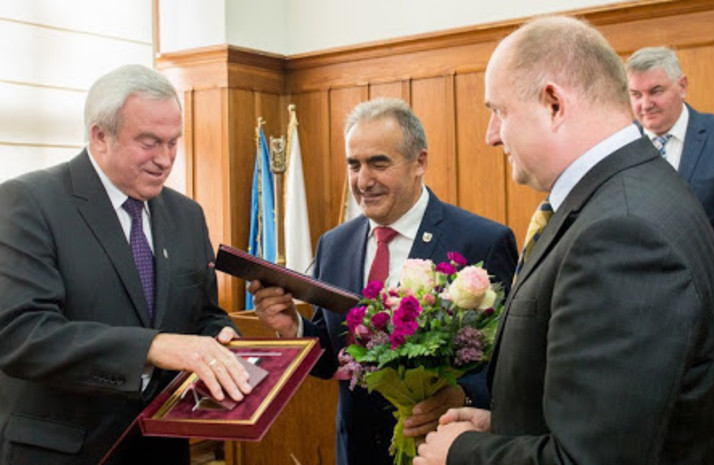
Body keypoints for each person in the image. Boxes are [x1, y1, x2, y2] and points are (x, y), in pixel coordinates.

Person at [416, 16, 714, 465]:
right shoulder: (624, 195)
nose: (491, 135)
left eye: (499, 111)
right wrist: (504, 427)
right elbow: (607, 413)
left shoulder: (623, 234)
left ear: (554, 104)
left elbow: (591, 458)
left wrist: (462, 453)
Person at [0, 65, 253, 465]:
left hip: (161, 448)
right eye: (149, 143)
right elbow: (22, 335)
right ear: (100, 136)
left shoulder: (187, 215)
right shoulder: (27, 203)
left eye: (173, 142)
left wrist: (221, 339)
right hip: (64, 452)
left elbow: (203, 315)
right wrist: (153, 347)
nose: (165, 159)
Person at [248, 98, 518, 465]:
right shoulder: (334, 245)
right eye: (353, 164)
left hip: (442, 448)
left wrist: (463, 395)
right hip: (356, 452)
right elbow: (334, 357)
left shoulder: (481, 241)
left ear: (419, 162)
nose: (363, 181)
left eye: (378, 163)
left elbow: (512, 359)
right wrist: (293, 327)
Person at [626, 46, 714, 347]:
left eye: (656, 91)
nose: (645, 104)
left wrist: (702, 279)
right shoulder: (619, 146)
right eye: (636, 94)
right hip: (640, 317)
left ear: (683, 86)